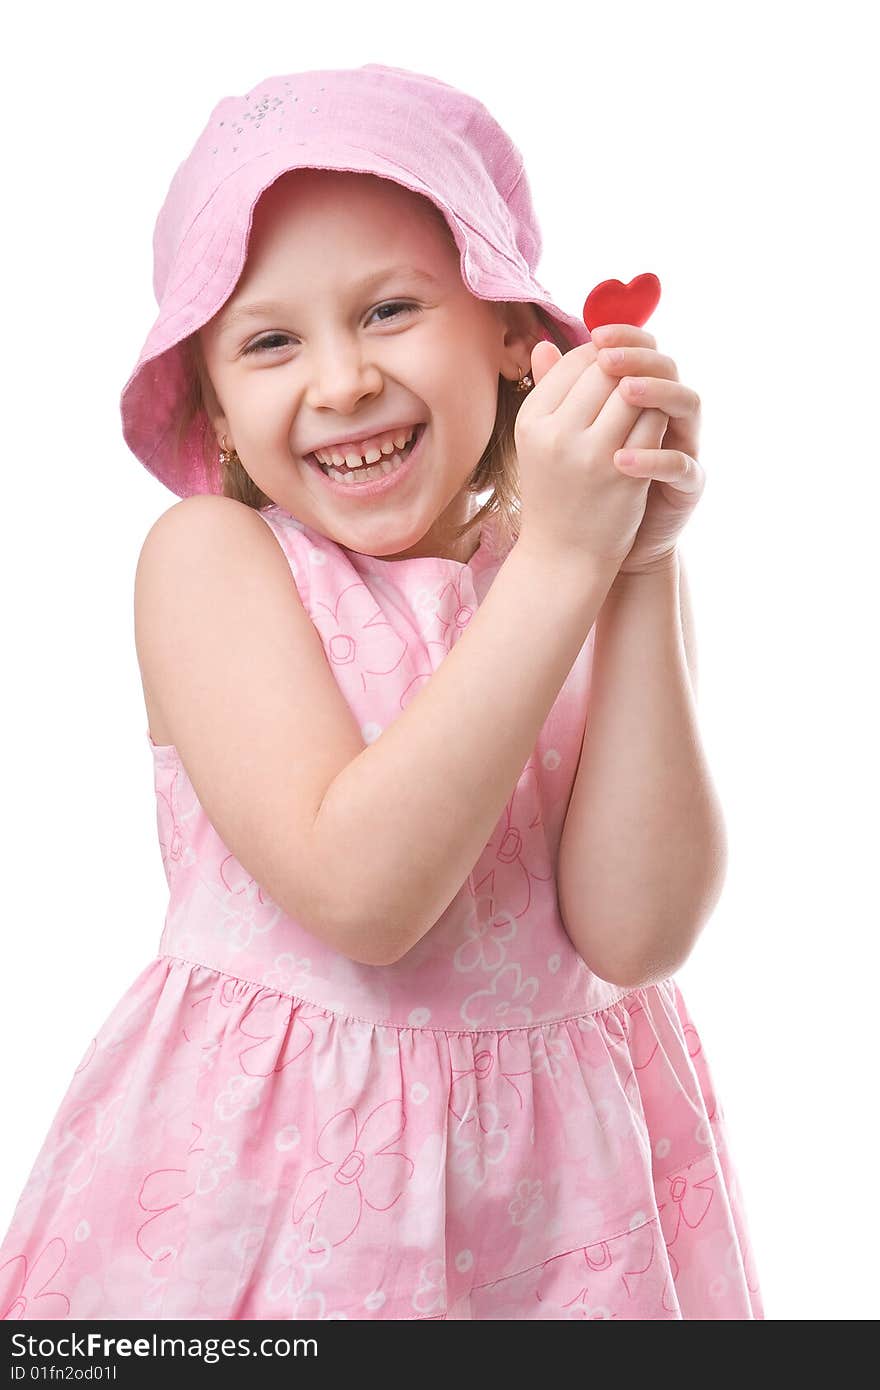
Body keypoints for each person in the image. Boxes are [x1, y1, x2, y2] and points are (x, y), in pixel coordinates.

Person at [0, 62, 764, 1321]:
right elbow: (364, 894)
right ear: (222, 418)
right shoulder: (213, 561)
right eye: (269, 341)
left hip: (559, 1210)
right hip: (286, 1186)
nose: (341, 379)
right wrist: (570, 560)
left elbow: (637, 935)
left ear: (516, 342)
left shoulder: (566, 579)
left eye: (391, 310)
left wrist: (635, 565)